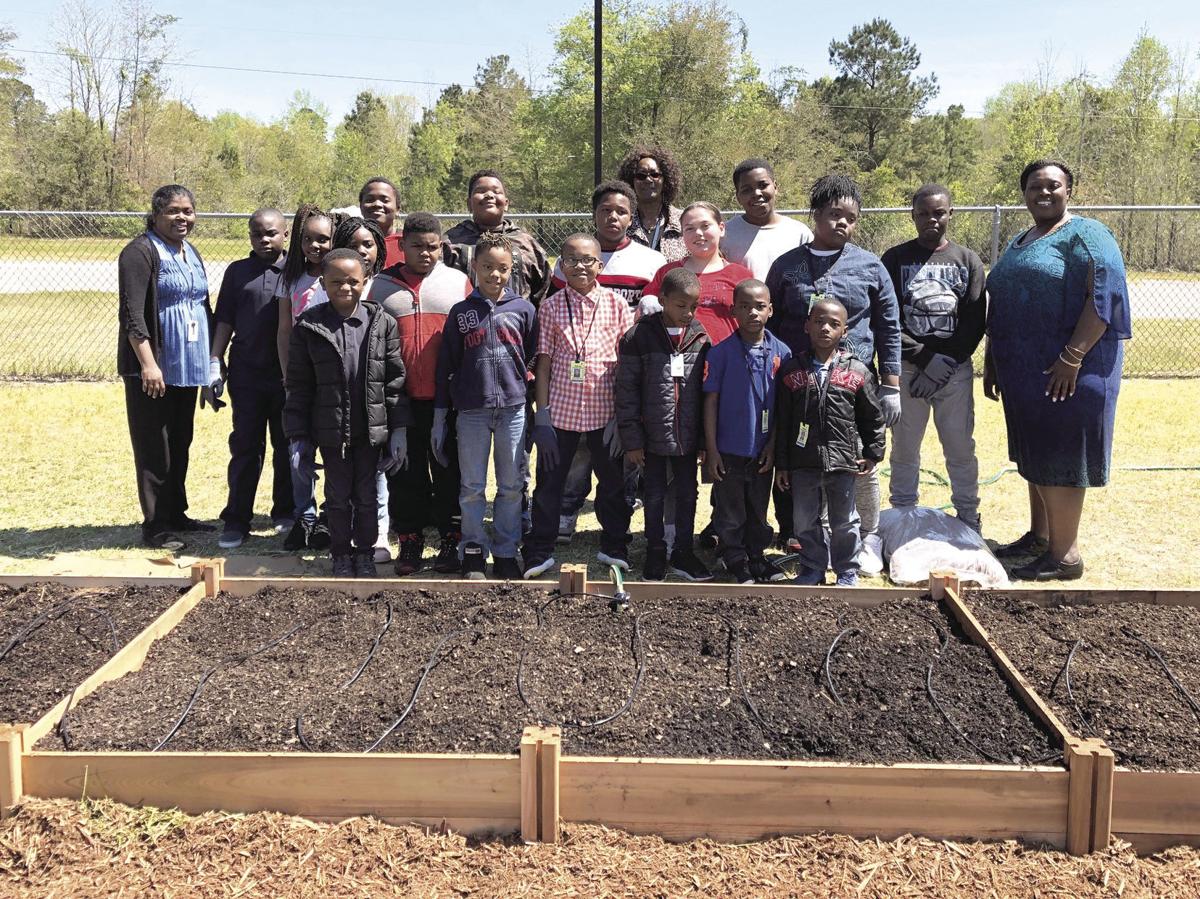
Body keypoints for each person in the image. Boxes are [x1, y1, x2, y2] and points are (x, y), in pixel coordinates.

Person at [984, 159, 1131, 581]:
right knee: (1037, 453)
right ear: (1024, 192)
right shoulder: (1020, 239)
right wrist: (993, 359)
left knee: (1061, 456)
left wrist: (1072, 357)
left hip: (1071, 372)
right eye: (1035, 186)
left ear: (1069, 190)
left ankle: (1065, 556)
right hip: (1023, 372)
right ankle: (1041, 536)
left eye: (1053, 186)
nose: (1043, 193)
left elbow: (1104, 297)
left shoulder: (1088, 234)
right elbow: (1004, 302)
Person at [765, 175, 902, 572]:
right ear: (816, 215)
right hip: (801, 385)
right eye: (834, 215)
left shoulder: (869, 265)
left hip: (851, 386)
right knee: (805, 461)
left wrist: (890, 382)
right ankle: (811, 544)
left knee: (858, 463)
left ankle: (866, 540)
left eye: (851, 218)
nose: (842, 223)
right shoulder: (788, 266)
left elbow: (889, 323)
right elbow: (770, 322)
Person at [552, 179, 667, 543]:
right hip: (578, 376)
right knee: (579, 454)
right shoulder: (570, 259)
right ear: (594, 214)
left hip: (627, 370)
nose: (612, 216)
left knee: (620, 450)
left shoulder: (650, 261)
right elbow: (558, 310)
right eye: (605, 209)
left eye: (621, 211)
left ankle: (616, 519)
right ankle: (567, 511)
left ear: (631, 217)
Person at [284, 249, 409, 578]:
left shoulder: (382, 323)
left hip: (370, 430)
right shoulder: (309, 326)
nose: (345, 287)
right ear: (323, 282)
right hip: (330, 431)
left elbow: (395, 382)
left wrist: (398, 431)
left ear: (365, 281)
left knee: (367, 496)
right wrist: (298, 438)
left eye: (353, 281)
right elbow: (298, 386)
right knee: (337, 496)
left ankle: (365, 552)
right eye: (336, 281)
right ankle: (341, 552)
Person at [523, 234, 634, 579]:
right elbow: (543, 365)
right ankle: (539, 549)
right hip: (562, 414)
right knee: (550, 483)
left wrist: (622, 417)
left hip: (605, 414)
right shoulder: (552, 306)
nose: (579, 266)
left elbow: (626, 366)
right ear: (561, 265)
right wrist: (542, 415)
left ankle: (614, 545)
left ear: (600, 265)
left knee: (614, 484)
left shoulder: (617, 305)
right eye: (570, 260)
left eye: (587, 260)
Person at [372, 212, 473, 576]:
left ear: (441, 246)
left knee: (448, 469)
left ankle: (450, 537)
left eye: (432, 247)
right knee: (405, 472)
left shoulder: (458, 282)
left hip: (447, 398)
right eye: (417, 247)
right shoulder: (381, 287)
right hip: (400, 399)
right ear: (403, 246)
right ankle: (410, 539)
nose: (426, 254)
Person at [433, 232, 538, 580]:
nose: (495, 275)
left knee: (511, 485)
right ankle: (474, 550)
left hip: (513, 410)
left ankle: (507, 551)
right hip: (472, 411)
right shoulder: (461, 313)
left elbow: (535, 356)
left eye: (503, 268)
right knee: (472, 486)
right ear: (474, 267)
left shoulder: (523, 309)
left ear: (513, 270)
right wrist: (439, 416)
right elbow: (446, 365)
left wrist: (530, 392)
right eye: (488, 267)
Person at [881, 184, 987, 531]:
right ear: (913, 216)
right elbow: (888, 319)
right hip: (909, 369)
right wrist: (925, 358)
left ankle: (969, 516)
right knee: (905, 449)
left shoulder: (967, 260)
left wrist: (945, 362)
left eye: (938, 212)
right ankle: (903, 515)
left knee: (959, 447)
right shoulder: (895, 259)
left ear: (950, 213)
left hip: (953, 372)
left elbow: (974, 321)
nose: (931, 219)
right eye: (923, 213)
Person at [117, 184, 214, 550]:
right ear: (156, 214)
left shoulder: (191, 252)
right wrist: (148, 364)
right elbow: (132, 315)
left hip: (186, 366)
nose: (182, 218)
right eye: (173, 211)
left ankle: (176, 513)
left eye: (188, 210)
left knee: (180, 441)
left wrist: (208, 365)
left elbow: (202, 306)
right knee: (153, 445)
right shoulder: (139, 252)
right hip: (153, 368)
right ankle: (156, 525)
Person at [775, 298, 886, 587]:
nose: (825, 328)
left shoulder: (858, 372)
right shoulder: (791, 371)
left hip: (842, 460)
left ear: (844, 332)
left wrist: (873, 452)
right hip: (802, 462)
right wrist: (783, 464)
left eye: (834, 324)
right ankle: (812, 567)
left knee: (845, 521)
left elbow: (872, 416)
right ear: (807, 325)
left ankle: (847, 570)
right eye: (819, 321)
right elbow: (783, 422)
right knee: (804, 521)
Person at [615, 267, 713, 582]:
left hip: (687, 436)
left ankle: (683, 550)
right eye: (681, 305)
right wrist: (632, 439)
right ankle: (656, 550)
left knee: (687, 492)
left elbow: (704, 391)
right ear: (662, 301)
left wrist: (701, 440)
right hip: (650, 436)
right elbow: (626, 391)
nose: (688, 312)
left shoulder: (701, 336)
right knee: (654, 493)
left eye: (693, 306)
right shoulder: (638, 337)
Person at [211, 208, 294, 549]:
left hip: (287, 376)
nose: (264, 239)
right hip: (247, 375)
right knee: (246, 446)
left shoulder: (297, 271)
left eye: (271, 233)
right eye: (257, 233)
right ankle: (237, 518)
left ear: (285, 235)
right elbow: (225, 320)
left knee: (287, 446)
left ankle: (286, 511)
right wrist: (215, 360)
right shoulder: (237, 272)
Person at [703, 279, 791, 585]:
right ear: (733, 310)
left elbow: (783, 406)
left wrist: (773, 446)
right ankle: (734, 557)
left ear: (770, 310)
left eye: (759, 306)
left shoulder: (782, 352)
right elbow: (710, 402)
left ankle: (756, 556)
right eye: (744, 306)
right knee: (730, 508)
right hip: (728, 448)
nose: (752, 312)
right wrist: (711, 450)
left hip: (763, 449)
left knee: (757, 505)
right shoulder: (721, 353)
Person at [331, 215, 392, 563]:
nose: (361, 251)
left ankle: (378, 533)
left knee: (375, 475)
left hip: (377, 396)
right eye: (353, 245)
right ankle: (341, 536)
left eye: (367, 244)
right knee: (342, 479)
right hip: (341, 402)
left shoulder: (386, 287)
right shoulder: (336, 284)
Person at [275, 205, 334, 551]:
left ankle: (328, 516)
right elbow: (284, 330)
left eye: (323, 239)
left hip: (332, 378)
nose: (316, 246)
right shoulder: (290, 277)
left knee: (333, 449)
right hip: (301, 376)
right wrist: (287, 376)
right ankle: (305, 515)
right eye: (308, 239)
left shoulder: (341, 273)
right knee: (299, 451)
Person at [443, 169, 552, 304]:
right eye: (481, 191)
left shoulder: (527, 244)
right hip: (464, 322)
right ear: (469, 204)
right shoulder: (451, 243)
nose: (489, 195)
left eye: (496, 191)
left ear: (506, 203)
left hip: (517, 323)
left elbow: (544, 293)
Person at [721, 158, 814, 279]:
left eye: (763, 185)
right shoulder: (725, 235)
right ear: (738, 197)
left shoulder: (799, 233)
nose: (757, 193)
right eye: (747, 190)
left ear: (775, 187)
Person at [617, 146, 687, 262]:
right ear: (631, 181)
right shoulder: (621, 222)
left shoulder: (683, 221)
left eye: (654, 175)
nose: (648, 180)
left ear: (666, 180)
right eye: (641, 176)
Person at [359, 177, 405, 268]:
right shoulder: (350, 243)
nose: (377, 204)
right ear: (360, 206)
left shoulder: (408, 244)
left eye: (385, 200)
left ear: (398, 208)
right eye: (369, 200)